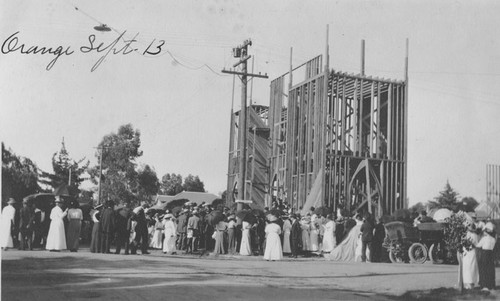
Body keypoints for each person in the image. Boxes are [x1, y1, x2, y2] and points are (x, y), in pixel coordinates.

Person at [477, 226, 497, 291]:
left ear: (486, 232)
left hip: (484, 254)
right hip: (491, 254)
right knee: (490, 269)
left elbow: (478, 245)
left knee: (484, 268)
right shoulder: (493, 239)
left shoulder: (484, 238)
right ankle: (491, 285)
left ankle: (484, 285)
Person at [462, 224, 479, 289]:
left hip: (470, 252)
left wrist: (469, 245)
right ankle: (468, 283)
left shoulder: (473, 235)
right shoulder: (468, 234)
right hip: (468, 252)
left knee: (470, 267)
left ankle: (470, 283)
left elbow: (476, 244)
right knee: (468, 267)